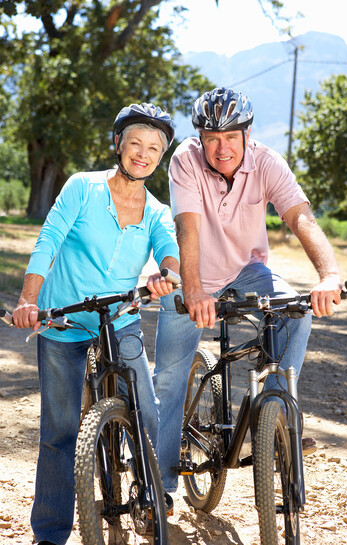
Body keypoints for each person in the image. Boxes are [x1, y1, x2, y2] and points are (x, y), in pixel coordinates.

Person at [153, 87, 342, 496]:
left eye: (230, 138)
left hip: (247, 271)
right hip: (194, 275)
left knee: (297, 311)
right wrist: (195, 290)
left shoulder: (268, 162)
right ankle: (161, 488)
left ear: (247, 134)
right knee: (168, 379)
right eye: (211, 139)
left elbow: (300, 218)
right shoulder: (185, 160)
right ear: (200, 138)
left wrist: (328, 275)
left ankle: (274, 419)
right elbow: (187, 228)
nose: (221, 149)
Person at [12, 103, 179, 545]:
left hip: (120, 316)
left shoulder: (158, 210)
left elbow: (169, 251)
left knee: (146, 405)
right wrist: (29, 299)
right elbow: (49, 239)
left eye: (154, 149)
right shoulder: (82, 187)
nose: (143, 154)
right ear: (119, 145)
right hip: (62, 318)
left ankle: (150, 491)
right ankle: (49, 534)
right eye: (135, 144)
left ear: (160, 157)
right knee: (61, 431)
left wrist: (167, 274)